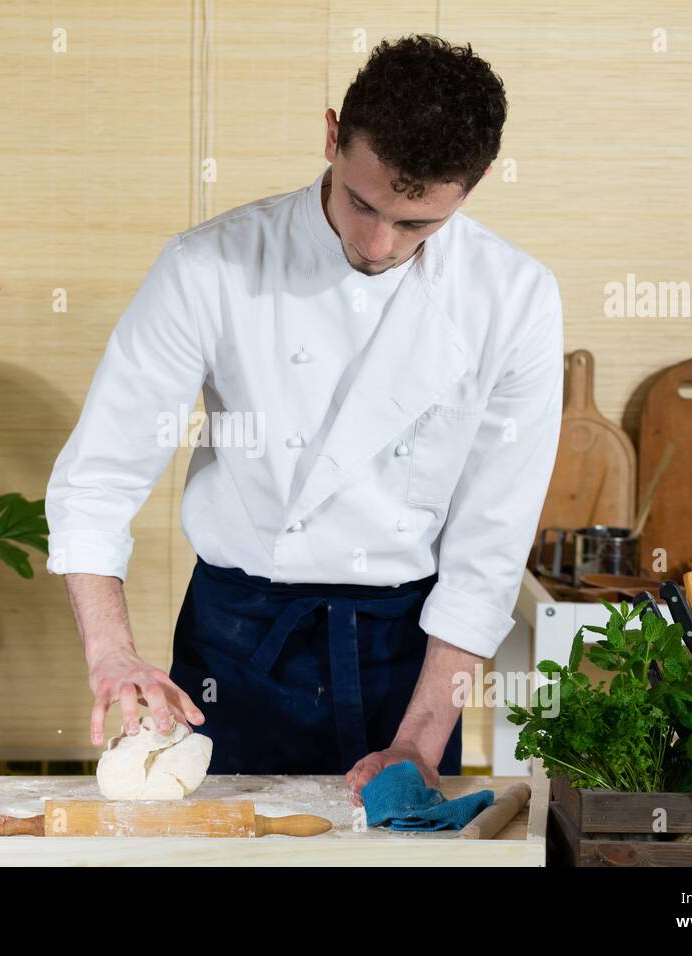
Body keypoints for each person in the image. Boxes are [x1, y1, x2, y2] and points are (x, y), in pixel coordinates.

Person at [45, 34, 563, 803]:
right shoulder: (208, 268)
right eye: (362, 203)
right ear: (331, 136)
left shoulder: (515, 299)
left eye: (417, 224)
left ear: (475, 182)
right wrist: (112, 655)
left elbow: (489, 547)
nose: (379, 244)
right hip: (239, 645)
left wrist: (421, 739)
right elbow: (99, 480)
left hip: (411, 657)